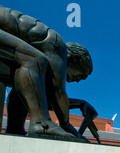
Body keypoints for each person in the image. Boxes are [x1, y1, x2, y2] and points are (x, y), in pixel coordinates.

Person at [0, 5, 93, 139]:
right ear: (75, 58)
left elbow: (40, 98)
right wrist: (66, 125)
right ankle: (42, 124)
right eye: (81, 75)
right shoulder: (57, 44)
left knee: (30, 83)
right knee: (35, 60)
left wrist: (79, 103)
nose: (77, 80)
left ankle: (15, 129)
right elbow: (57, 91)